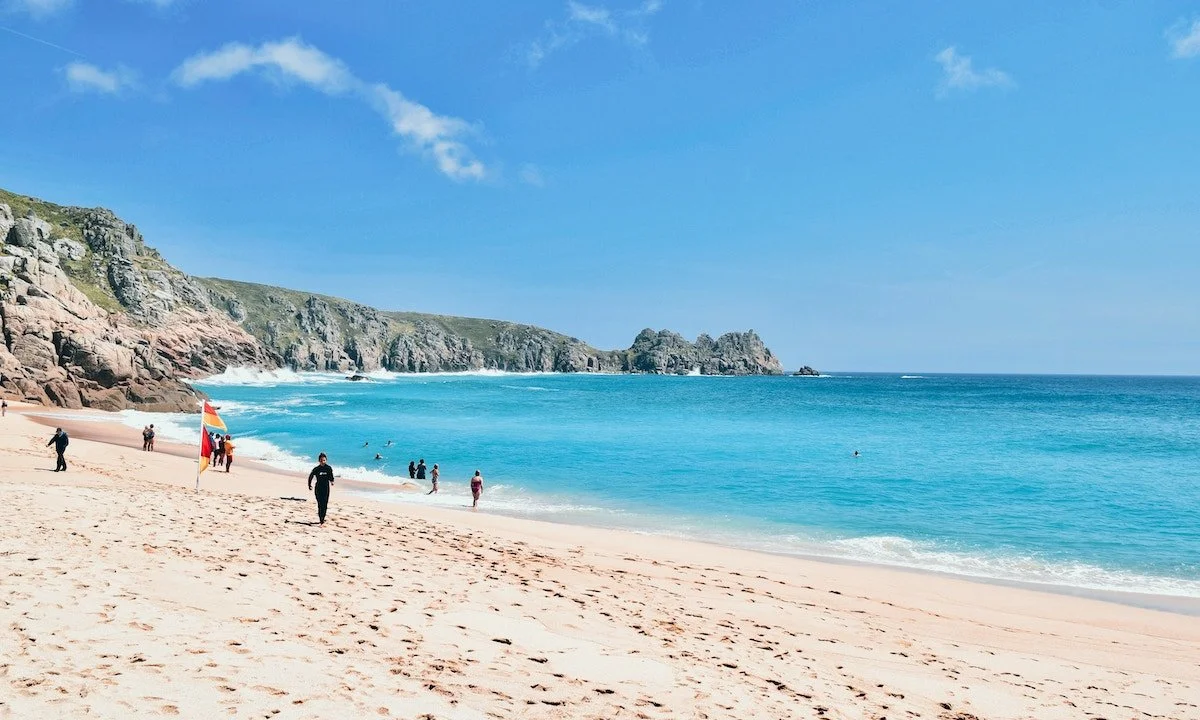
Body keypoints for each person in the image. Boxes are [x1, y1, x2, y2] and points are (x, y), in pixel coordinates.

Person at [307, 452, 335, 525]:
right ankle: (321, 518)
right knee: (320, 504)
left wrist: (332, 481)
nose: (323, 462)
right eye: (321, 460)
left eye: (324, 460)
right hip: (318, 488)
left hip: (326, 488)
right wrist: (309, 485)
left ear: (326, 460)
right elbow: (311, 476)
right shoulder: (317, 469)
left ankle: (322, 519)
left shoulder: (328, 468)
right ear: (319, 461)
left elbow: (331, 476)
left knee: (325, 504)